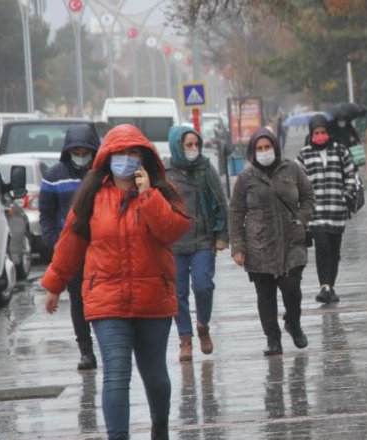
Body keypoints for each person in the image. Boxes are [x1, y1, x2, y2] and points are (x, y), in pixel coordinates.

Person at [41, 124, 191, 440]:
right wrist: (55, 284)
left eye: (133, 152)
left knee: (155, 375)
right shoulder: (90, 198)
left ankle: (159, 429)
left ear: (144, 157)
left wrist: (148, 195)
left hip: (153, 298)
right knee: (116, 374)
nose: (125, 159)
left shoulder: (162, 192)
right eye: (119, 153)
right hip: (107, 301)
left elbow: (171, 231)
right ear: (107, 157)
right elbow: (70, 242)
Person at [229, 128, 315, 356]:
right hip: (259, 244)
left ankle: (293, 324)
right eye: (259, 148)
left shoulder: (292, 169)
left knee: (291, 288)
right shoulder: (246, 178)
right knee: (265, 295)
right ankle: (273, 339)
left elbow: (308, 197)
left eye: (267, 147)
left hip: (291, 241)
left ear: (275, 148)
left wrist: (301, 220)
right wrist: (237, 246)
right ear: (252, 151)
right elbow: (236, 212)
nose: (264, 152)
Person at [39, 124, 100, 370]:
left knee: (101, 299)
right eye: (76, 151)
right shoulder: (54, 176)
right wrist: (56, 243)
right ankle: (86, 350)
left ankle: (107, 345)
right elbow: (46, 213)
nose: (81, 155)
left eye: (85, 150)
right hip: (72, 251)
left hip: (100, 249)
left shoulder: (100, 174)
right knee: (78, 301)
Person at [166, 125, 228, 363]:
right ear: (177, 146)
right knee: (177, 294)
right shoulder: (165, 173)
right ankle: (185, 338)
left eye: (196, 145)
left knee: (203, 285)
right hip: (174, 244)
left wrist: (221, 235)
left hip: (203, 240)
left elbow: (220, 201)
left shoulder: (205, 168)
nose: (193, 149)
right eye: (188, 145)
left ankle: (203, 324)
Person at [296, 115, 357, 304]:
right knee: (322, 248)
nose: (320, 135)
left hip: (336, 211)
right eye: (316, 133)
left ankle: (330, 286)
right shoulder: (304, 154)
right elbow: (298, 182)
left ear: (328, 133)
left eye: (323, 132)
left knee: (334, 251)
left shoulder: (340, 151)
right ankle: (324, 286)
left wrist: (346, 196)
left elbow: (350, 175)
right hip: (316, 213)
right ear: (311, 134)